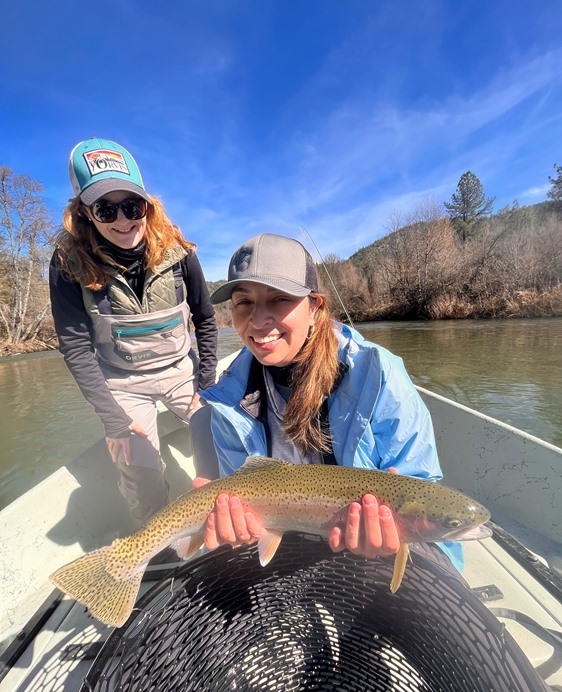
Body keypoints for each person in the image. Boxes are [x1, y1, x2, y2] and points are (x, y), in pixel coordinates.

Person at [198, 232, 462, 568]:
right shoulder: (227, 399)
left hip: (372, 555)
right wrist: (237, 529)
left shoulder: (378, 375)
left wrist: (389, 539)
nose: (258, 319)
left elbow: (420, 491)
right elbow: (239, 496)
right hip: (281, 550)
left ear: (314, 308)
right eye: (244, 302)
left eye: (279, 299)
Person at [50, 137, 218, 526]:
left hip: (183, 374)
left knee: (218, 450)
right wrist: (115, 421)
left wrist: (206, 385)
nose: (123, 221)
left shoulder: (181, 252)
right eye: (105, 209)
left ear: (148, 205)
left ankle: (217, 530)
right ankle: (158, 544)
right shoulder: (67, 265)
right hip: (122, 384)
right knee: (141, 479)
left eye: (132, 205)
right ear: (85, 214)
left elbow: (206, 319)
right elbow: (76, 349)